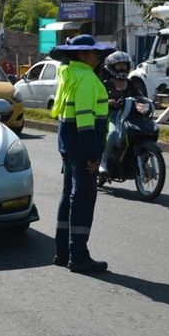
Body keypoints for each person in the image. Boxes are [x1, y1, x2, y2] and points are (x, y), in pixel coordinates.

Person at [48, 34, 114, 273]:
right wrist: (93, 154)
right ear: (82, 55)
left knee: (69, 197)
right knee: (83, 198)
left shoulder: (69, 75)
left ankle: (62, 252)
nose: (98, 57)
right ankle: (79, 255)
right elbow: (86, 119)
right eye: (94, 53)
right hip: (82, 146)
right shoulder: (86, 78)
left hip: (68, 145)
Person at [98, 50, 149, 176]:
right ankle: (103, 161)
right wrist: (109, 102)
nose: (122, 68)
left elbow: (140, 97)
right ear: (111, 67)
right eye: (119, 65)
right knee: (113, 133)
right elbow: (99, 99)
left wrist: (151, 102)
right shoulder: (106, 84)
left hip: (129, 116)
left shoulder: (130, 83)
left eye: (124, 65)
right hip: (112, 116)